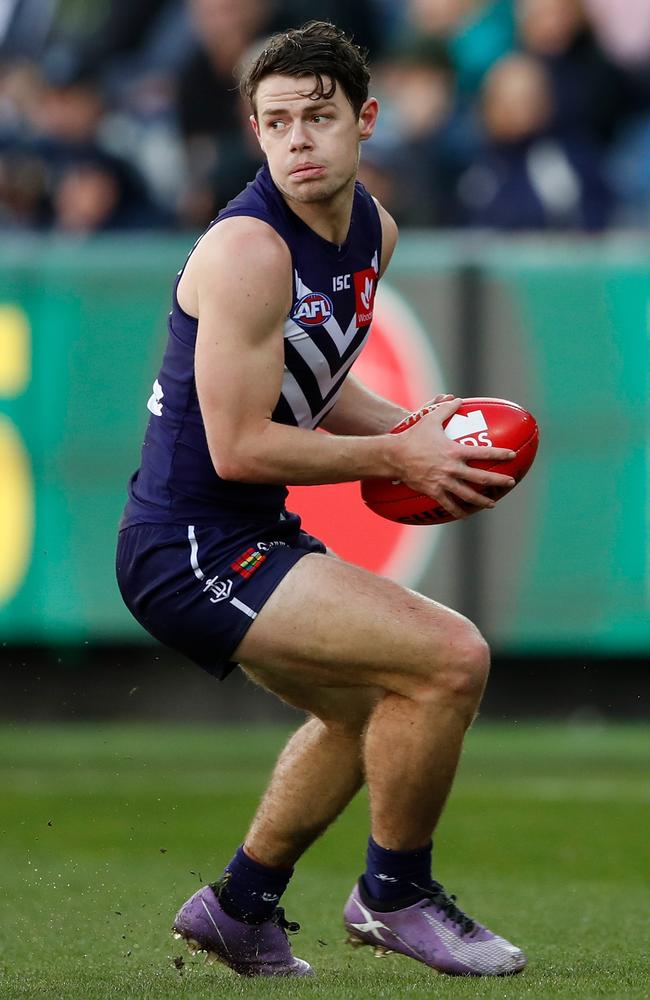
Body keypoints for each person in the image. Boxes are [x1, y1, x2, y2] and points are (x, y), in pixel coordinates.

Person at [115, 20, 526, 979]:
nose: (298, 139)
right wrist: (399, 456)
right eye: (276, 121)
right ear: (254, 131)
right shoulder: (250, 252)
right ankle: (394, 895)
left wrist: (416, 430)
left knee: (374, 706)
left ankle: (238, 908)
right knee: (450, 658)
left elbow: (315, 376)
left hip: (241, 532)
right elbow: (242, 443)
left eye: (319, 116)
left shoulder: (373, 229)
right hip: (190, 545)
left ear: (365, 121)